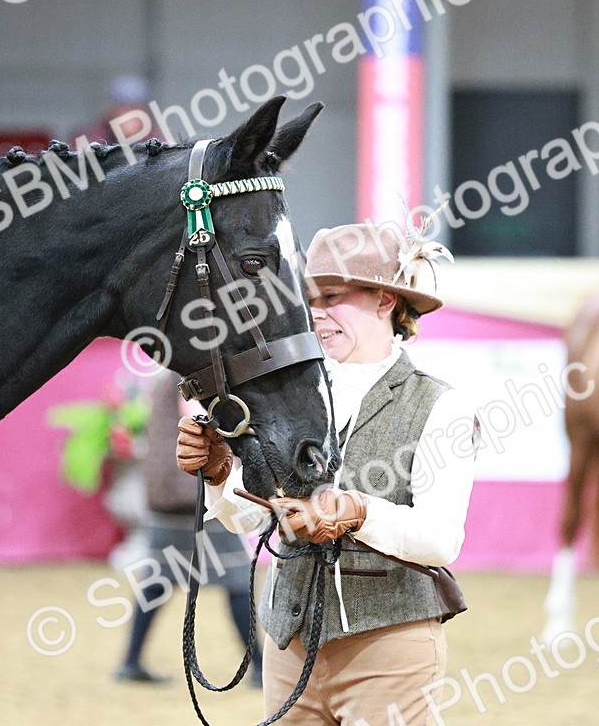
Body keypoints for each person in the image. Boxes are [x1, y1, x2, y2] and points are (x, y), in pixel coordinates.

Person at [176, 222, 480, 725]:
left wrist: (360, 512)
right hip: (288, 644)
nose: (314, 313)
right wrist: (218, 474)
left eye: (332, 297)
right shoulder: (285, 400)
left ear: (386, 300)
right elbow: (250, 521)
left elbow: (441, 541)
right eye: (306, 298)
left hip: (389, 646)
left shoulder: (439, 405)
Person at [114, 374, 263, 686]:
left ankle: (130, 662)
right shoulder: (191, 377)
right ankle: (260, 667)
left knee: (157, 582)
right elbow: (201, 420)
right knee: (237, 579)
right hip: (193, 494)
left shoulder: (166, 378)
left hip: (165, 495)